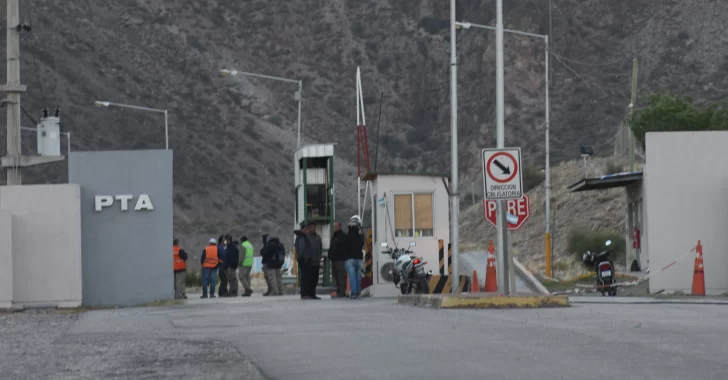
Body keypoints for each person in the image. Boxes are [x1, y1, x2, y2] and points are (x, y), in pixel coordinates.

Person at [295, 221, 323, 300]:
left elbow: (320, 247)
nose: (311, 228)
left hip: (316, 261)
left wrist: (320, 256)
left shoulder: (318, 237)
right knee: (307, 278)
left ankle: (312, 294)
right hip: (308, 261)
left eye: (313, 227)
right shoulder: (304, 236)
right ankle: (305, 294)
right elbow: (302, 249)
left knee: (314, 279)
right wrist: (305, 258)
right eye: (309, 227)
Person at [344, 215, 365, 299]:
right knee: (358, 276)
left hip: (350, 259)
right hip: (359, 259)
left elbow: (344, 247)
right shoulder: (360, 237)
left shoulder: (346, 237)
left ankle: (353, 293)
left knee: (352, 276)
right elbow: (362, 244)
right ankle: (358, 292)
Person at [328, 221, 347, 298]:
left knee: (341, 277)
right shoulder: (334, 236)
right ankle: (339, 291)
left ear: (339, 226)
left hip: (340, 260)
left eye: (335, 226)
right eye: (334, 226)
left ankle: (342, 293)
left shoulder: (343, 236)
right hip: (334, 260)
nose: (334, 228)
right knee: (336, 276)